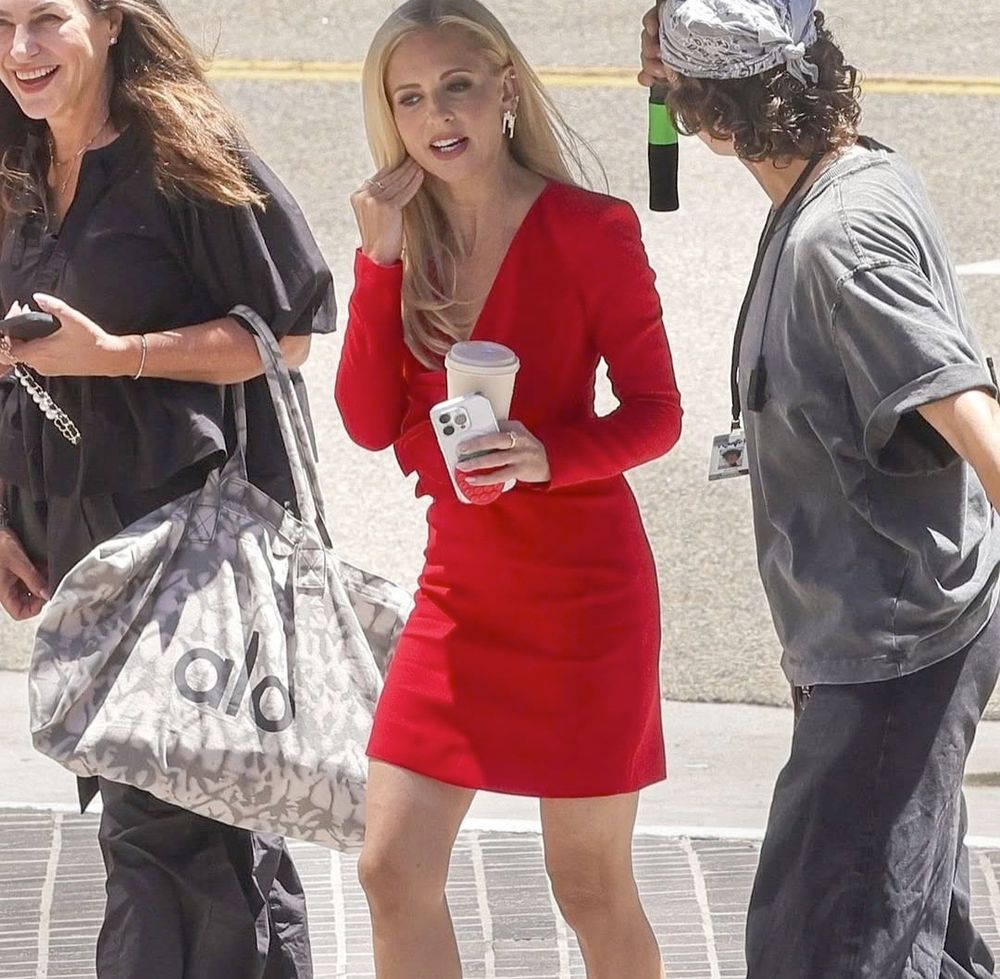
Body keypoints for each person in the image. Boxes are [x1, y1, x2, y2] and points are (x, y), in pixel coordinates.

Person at [640, 2, 1000, 977]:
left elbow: (972, 416)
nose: (650, 101)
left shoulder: (838, 242)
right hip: (874, 641)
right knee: (914, 933)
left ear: (711, 115)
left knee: (824, 948)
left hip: (893, 657)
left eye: (662, 89)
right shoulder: (856, 175)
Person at [335, 1, 683, 976]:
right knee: (390, 867)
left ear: (504, 91)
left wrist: (546, 455)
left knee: (587, 885)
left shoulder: (588, 230)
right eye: (408, 97)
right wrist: (377, 262)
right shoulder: (407, 242)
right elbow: (367, 422)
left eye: (456, 85)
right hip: (461, 593)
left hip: (585, 599)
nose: (435, 112)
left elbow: (657, 411)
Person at [0, 1, 335, 975]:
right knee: (172, 842)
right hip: (81, 560)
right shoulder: (16, 166)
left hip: (197, 558)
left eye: (46, 20)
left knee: (187, 847)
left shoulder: (181, 152)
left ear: (107, 23)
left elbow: (291, 329)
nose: (21, 50)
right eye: (3, 22)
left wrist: (119, 355)